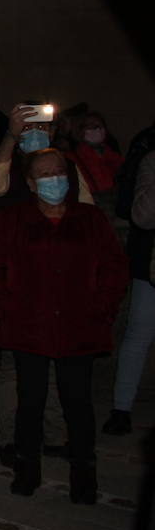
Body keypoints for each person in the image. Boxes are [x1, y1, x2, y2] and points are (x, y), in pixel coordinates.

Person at [0, 148, 127, 502]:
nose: (53, 180)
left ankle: (83, 473)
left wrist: (102, 309)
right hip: (28, 326)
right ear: (31, 183)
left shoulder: (90, 219)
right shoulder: (14, 219)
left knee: (78, 403)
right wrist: (5, 310)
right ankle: (27, 469)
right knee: (30, 402)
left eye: (58, 172)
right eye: (44, 174)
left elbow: (114, 268)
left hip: (79, 327)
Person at [105, 124, 155, 435]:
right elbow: (142, 215)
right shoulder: (151, 161)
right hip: (150, 266)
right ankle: (121, 408)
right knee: (138, 336)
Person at [0, 103, 94, 208]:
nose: (34, 133)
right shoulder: (5, 161)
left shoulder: (68, 166)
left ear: (51, 132)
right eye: (27, 128)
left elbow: (86, 204)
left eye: (40, 127)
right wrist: (11, 135)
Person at [70, 111, 123, 195]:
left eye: (99, 126)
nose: (96, 129)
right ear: (80, 131)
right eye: (91, 126)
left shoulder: (115, 157)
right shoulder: (73, 159)